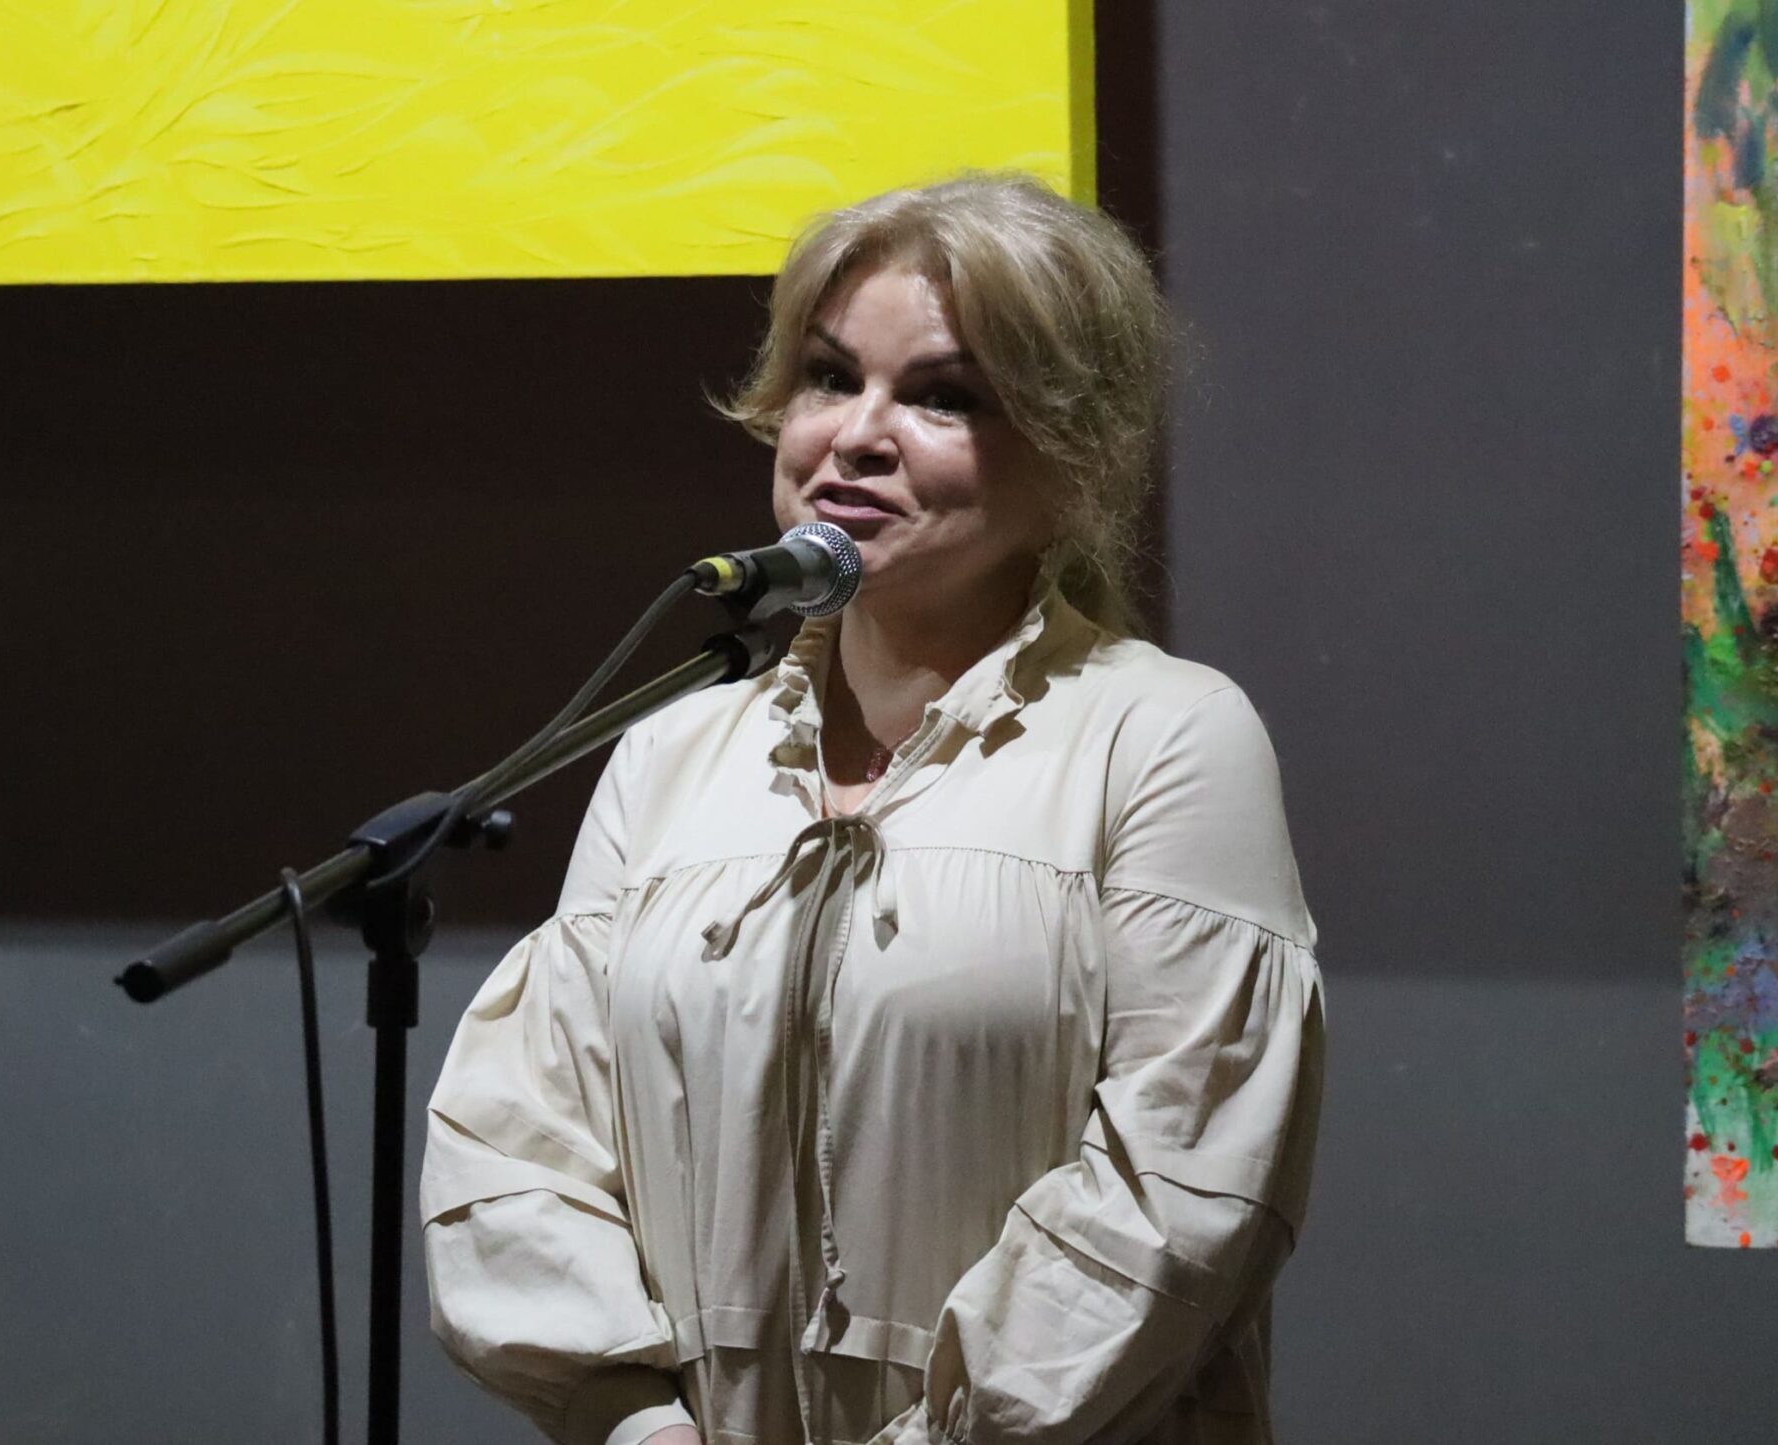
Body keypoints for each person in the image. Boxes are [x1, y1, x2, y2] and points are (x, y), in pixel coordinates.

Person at [419, 171, 1326, 1445]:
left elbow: (1176, 1189)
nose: (856, 435)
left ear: (1073, 452)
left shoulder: (1164, 734)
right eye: (829, 377)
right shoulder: (673, 749)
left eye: (942, 396)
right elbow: (524, 1138)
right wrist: (637, 1424)